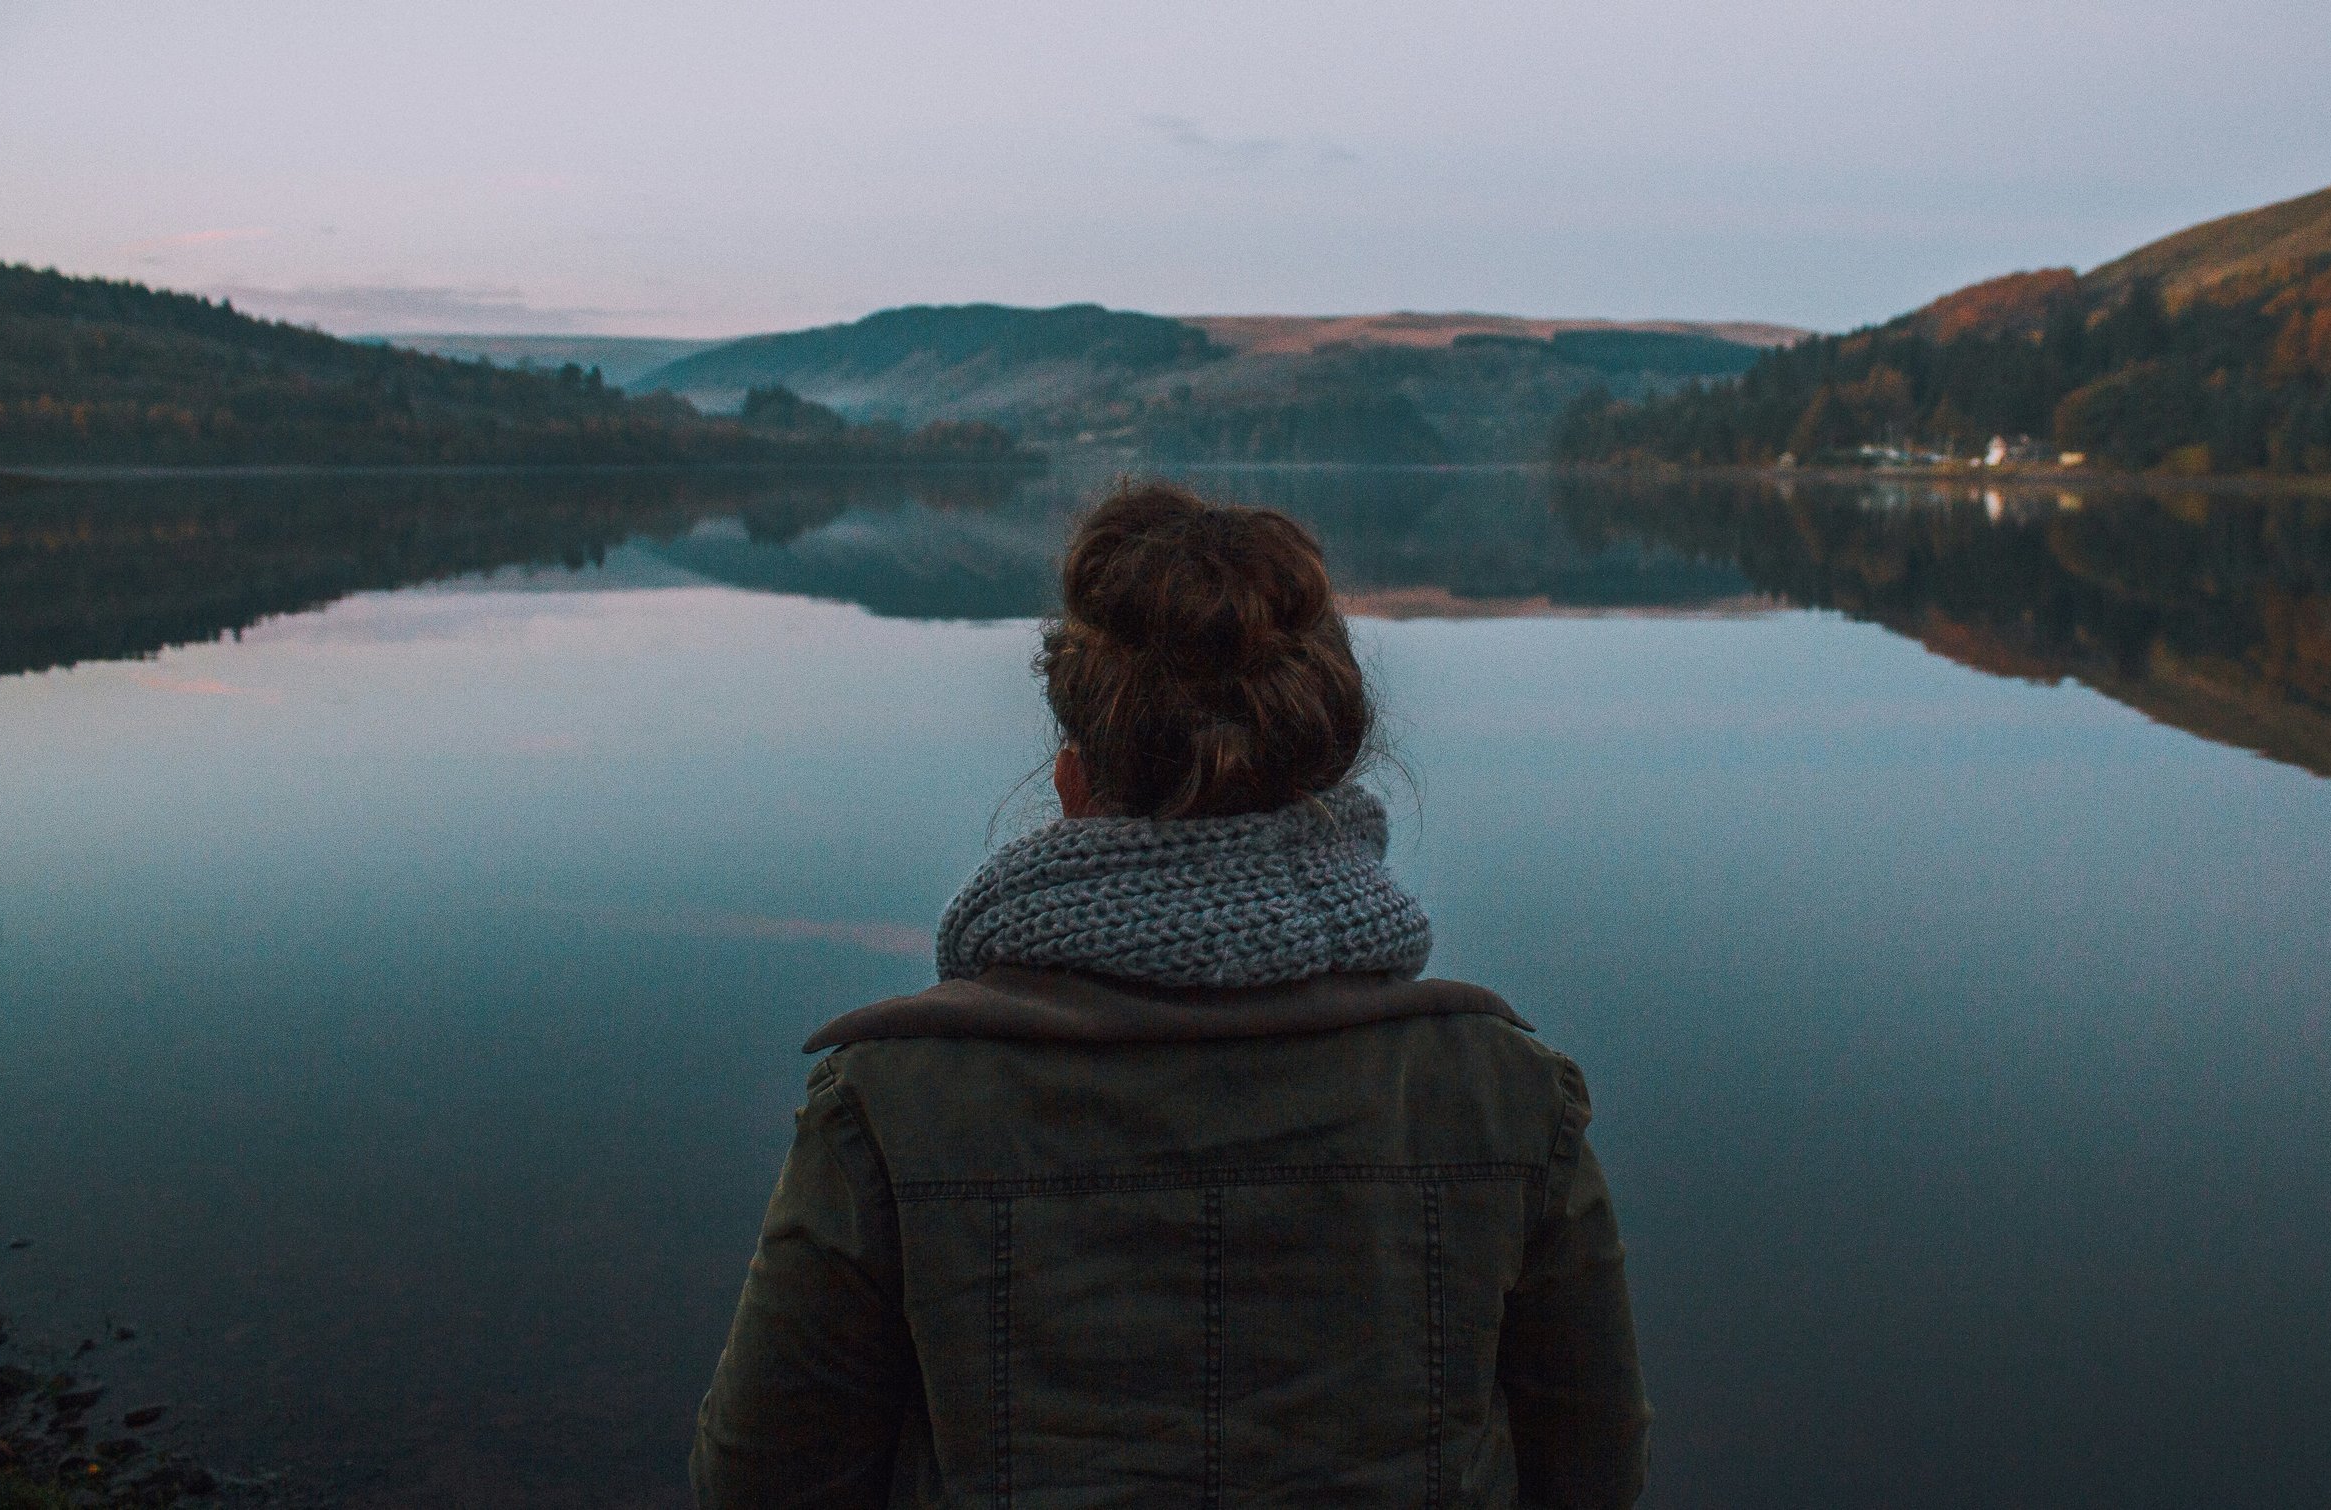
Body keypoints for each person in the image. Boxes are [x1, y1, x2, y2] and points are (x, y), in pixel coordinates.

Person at [692, 479, 1650, 1509]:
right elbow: (1591, 1477)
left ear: (1070, 785)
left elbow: (759, 1485)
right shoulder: (1508, 1097)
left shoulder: (885, 1110)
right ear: (1322, 786)